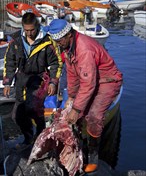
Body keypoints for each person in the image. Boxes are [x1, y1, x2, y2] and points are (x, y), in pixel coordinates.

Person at [47, 19, 123, 173]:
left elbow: (88, 84)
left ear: (68, 35)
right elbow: (73, 76)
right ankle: (78, 150)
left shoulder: (84, 49)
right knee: (77, 112)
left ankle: (94, 157)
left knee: (94, 116)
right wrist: (72, 97)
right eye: (55, 41)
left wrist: (76, 108)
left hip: (107, 80)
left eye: (59, 40)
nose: (58, 43)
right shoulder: (68, 48)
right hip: (91, 78)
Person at [3, 13, 62, 146]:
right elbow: (10, 62)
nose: (29, 33)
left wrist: (53, 82)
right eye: (26, 30)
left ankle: (40, 136)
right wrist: (7, 82)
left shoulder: (47, 41)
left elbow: (56, 63)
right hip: (21, 79)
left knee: (34, 109)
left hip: (39, 79)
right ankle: (28, 136)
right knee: (16, 116)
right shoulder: (16, 40)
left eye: (32, 30)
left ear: (37, 26)